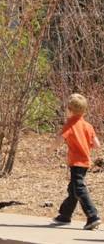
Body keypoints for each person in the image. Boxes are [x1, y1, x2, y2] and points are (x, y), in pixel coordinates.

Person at [51, 93, 101, 230]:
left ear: (69, 110)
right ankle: (65, 215)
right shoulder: (87, 125)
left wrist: (52, 147)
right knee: (73, 189)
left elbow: (60, 139)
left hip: (76, 163)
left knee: (78, 188)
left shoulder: (70, 124)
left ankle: (93, 216)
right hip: (85, 162)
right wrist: (86, 145)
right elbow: (97, 144)